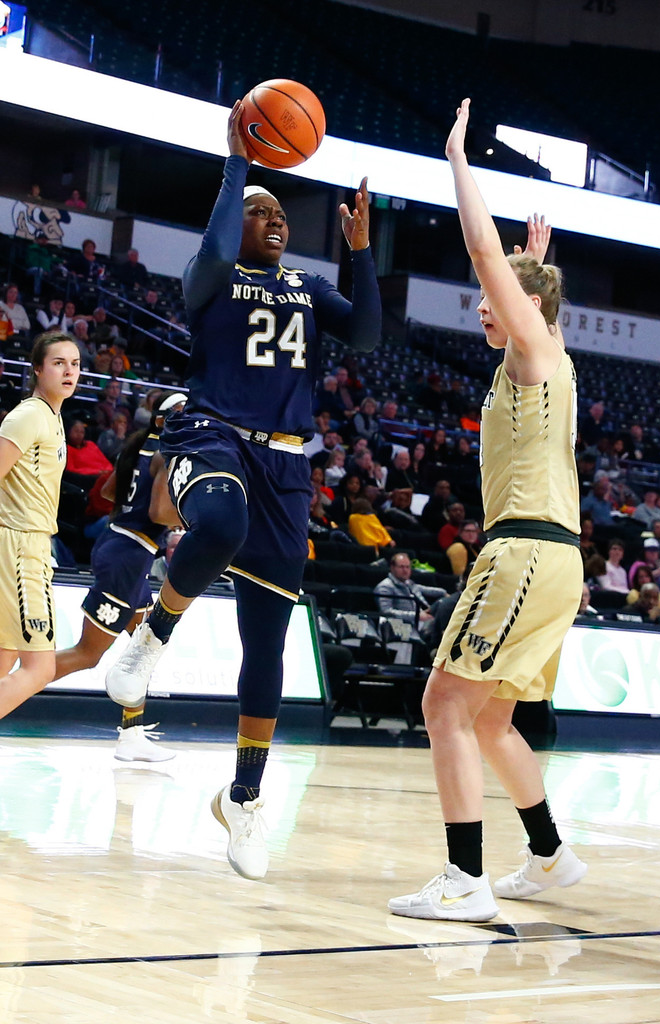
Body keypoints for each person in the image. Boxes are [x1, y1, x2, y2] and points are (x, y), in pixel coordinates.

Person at [104, 99, 380, 881]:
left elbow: (364, 333)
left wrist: (359, 252)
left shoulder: (308, 286)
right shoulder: (212, 277)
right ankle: (149, 640)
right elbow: (220, 239)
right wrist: (238, 168)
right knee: (217, 524)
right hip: (212, 429)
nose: (275, 220)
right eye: (261, 212)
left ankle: (245, 799)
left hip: (287, 465)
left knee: (268, 641)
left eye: (281, 213)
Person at [389, 100, 586, 925]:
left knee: (443, 704)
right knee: (495, 716)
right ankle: (547, 855)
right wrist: (534, 262)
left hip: (525, 553)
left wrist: (457, 160)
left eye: (501, 293)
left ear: (529, 308)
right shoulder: (543, 355)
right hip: (553, 556)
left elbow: (479, 252)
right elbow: (514, 280)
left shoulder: (532, 346)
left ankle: (463, 877)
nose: (483, 300)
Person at [51, 393, 186, 760]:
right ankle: (11, 687)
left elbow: (108, 491)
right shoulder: (167, 455)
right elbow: (160, 513)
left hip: (122, 547)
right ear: (166, 420)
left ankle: (132, 736)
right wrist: (192, 516)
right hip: (127, 557)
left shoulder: (140, 446)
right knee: (88, 654)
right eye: (184, 414)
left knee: (142, 645)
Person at [0, 332, 81, 722]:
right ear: (36, 369)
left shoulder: (53, 415)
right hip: (20, 546)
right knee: (40, 668)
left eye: (75, 364)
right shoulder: (30, 414)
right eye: (59, 363)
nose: (69, 371)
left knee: (4, 658)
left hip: (25, 544)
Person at [374, 552, 447, 633]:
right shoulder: (385, 586)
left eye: (407, 567)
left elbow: (428, 590)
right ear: (392, 568)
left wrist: (444, 593)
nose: (405, 570)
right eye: (401, 567)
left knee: (444, 603)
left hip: (422, 619)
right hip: (405, 625)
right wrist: (416, 616)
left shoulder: (409, 583)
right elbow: (386, 612)